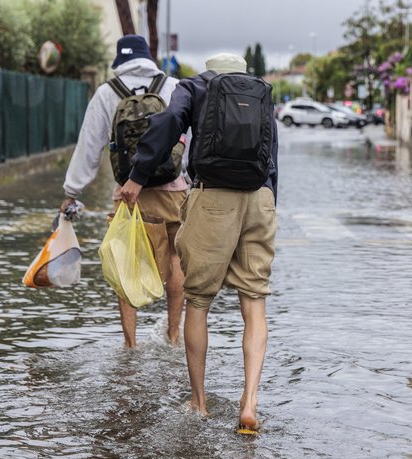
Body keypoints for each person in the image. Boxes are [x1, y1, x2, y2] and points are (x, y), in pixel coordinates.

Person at [119, 53, 279, 434]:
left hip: (213, 199)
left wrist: (138, 175)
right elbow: (272, 155)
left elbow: (169, 125)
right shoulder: (261, 94)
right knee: (254, 302)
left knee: (199, 301)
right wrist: (270, 201)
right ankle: (250, 402)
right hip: (260, 199)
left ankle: (199, 402)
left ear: (209, 69)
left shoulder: (193, 86)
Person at [61, 35, 187, 348]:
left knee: (125, 262)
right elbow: (190, 138)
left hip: (129, 193)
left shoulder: (107, 92)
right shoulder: (172, 87)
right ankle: (174, 335)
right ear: (148, 57)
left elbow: (89, 146)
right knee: (174, 259)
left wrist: (72, 191)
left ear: (120, 60)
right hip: (172, 189)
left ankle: (130, 344)